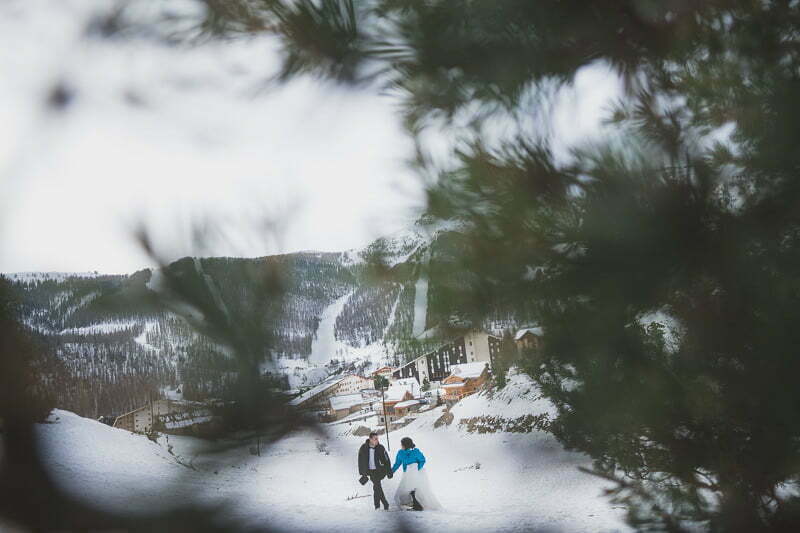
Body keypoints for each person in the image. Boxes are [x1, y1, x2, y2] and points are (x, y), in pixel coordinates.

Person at [391, 437, 442, 511]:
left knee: (414, 489)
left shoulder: (416, 452)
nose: (401, 446)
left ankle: (417, 506)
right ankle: (410, 503)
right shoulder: (400, 453)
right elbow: (397, 463)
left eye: (402, 444)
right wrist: (391, 472)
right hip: (407, 474)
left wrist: (415, 469)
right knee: (403, 490)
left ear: (406, 445)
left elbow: (422, 460)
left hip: (416, 474)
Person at [357, 432, 392, 510]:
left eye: (377, 439)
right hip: (370, 471)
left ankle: (379, 506)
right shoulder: (363, 448)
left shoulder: (381, 448)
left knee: (377, 487)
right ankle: (382, 505)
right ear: (370, 439)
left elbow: (387, 460)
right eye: (375, 439)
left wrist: (389, 471)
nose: (377, 440)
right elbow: (360, 460)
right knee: (377, 487)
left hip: (379, 471)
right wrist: (362, 472)